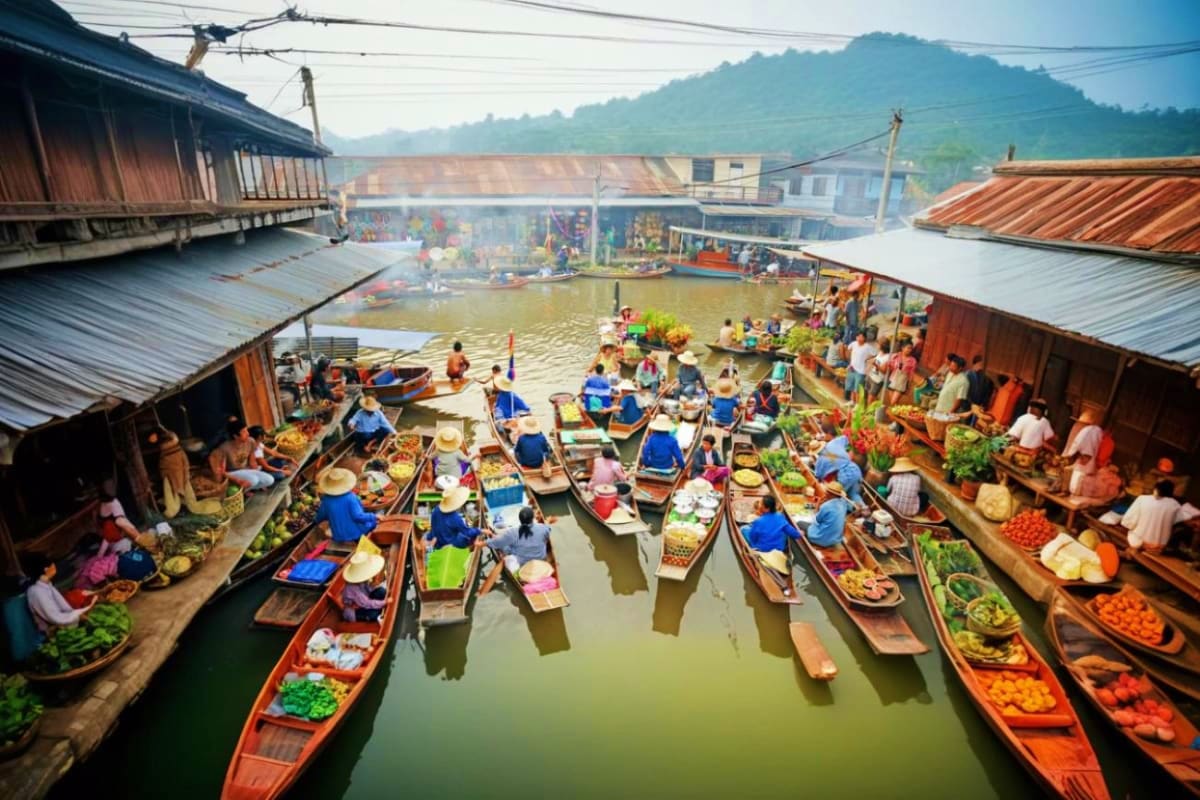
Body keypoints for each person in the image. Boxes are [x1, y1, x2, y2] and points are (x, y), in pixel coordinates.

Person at [24, 554, 92, 634]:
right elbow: (55, 617)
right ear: (46, 569)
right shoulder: (36, 592)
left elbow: (63, 608)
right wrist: (77, 616)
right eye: (52, 565)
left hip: (64, 625)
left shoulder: (46, 584)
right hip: (54, 634)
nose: (55, 566)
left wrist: (77, 613)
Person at [314, 467, 378, 543]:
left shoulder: (326, 500)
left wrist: (315, 521)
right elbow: (358, 516)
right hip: (356, 534)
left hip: (338, 536)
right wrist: (374, 516)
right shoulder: (351, 497)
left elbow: (320, 517)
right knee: (373, 521)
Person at [210, 419, 275, 492]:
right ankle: (241, 490)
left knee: (269, 480)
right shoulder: (224, 448)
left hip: (246, 470)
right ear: (235, 436)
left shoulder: (251, 441)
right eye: (244, 431)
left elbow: (252, 462)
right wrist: (237, 480)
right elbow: (222, 471)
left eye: (247, 430)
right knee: (254, 480)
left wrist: (260, 480)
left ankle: (247, 488)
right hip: (232, 473)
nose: (248, 433)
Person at [486, 506, 552, 573]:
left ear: (520, 520)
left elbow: (496, 543)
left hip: (522, 562)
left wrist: (488, 541)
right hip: (540, 559)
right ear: (533, 518)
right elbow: (549, 531)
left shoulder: (513, 532)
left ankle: (496, 537)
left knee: (504, 545)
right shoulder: (543, 528)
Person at [1122, 480, 1181, 552]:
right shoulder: (1176, 505)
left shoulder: (1143, 499)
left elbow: (1127, 522)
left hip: (1138, 542)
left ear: (1156, 489)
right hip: (1159, 547)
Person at [425, 486, 482, 550]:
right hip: (451, 544)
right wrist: (480, 530)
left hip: (438, 543)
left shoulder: (436, 510)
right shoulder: (455, 518)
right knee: (468, 536)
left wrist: (430, 538)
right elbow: (467, 532)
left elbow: (433, 528)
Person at [1063, 406, 1104, 495]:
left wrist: (1072, 456)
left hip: (1082, 468)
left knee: (1075, 487)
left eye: (1081, 423)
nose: (1077, 425)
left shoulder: (1091, 431)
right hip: (1082, 465)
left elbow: (1086, 453)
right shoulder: (1094, 431)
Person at [341, 550, 388, 622]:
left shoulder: (361, 579)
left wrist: (373, 583)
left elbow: (368, 590)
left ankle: (380, 605)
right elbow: (366, 603)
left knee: (381, 591)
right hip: (355, 610)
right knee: (374, 614)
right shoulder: (353, 588)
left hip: (364, 600)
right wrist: (385, 602)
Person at [96, 486, 139, 557]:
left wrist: (99, 556)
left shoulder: (113, 504)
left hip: (121, 543)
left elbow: (125, 523)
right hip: (116, 543)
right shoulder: (104, 505)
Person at [806, 483, 852, 547]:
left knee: (800, 523)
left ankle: (812, 542)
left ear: (829, 494)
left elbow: (817, 520)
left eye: (827, 492)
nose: (825, 493)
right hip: (835, 539)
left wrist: (818, 504)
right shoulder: (844, 504)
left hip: (821, 538)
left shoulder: (826, 506)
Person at [845, 332, 878, 402]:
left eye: (861, 337)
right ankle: (852, 401)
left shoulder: (867, 347)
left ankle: (857, 404)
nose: (859, 338)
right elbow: (848, 349)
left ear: (865, 338)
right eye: (858, 336)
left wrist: (868, 358)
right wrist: (850, 362)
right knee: (852, 386)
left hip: (860, 371)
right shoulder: (853, 344)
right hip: (852, 368)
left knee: (858, 389)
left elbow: (875, 353)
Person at [886, 342, 917, 407]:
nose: (910, 350)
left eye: (911, 348)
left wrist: (909, 386)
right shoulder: (896, 356)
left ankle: (892, 413)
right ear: (902, 348)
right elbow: (891, 367)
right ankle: (895, 414)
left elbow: (911, 374)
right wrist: (889, 364)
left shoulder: (913, 360)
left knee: (893, 402)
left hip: (902, 383)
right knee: (893, 403)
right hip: (892, 380)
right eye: (908, 348)